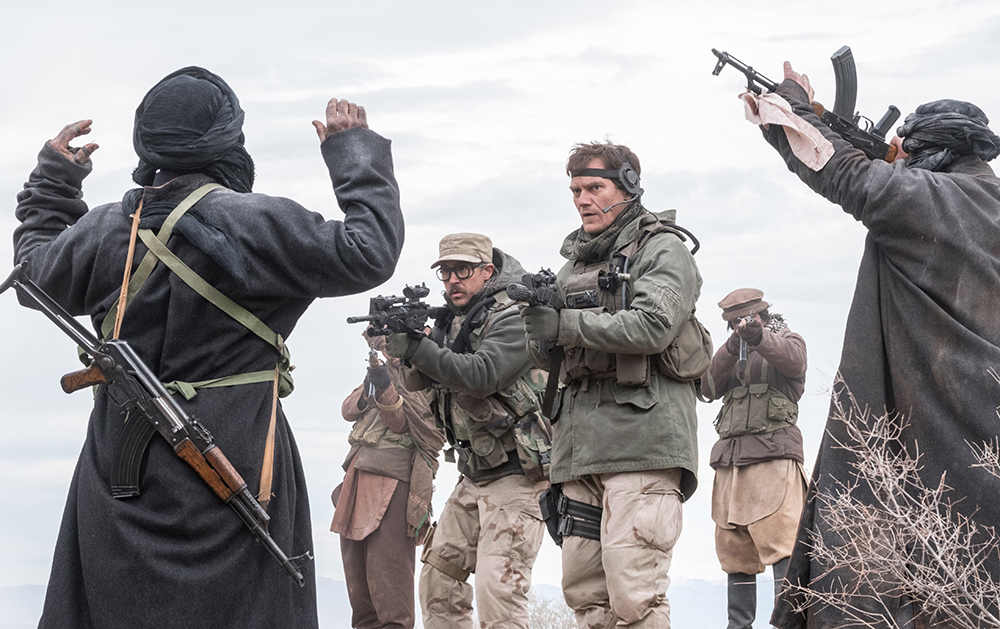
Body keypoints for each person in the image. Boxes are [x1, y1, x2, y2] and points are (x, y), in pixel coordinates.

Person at [13, 66, 404, 629]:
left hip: (121, 475)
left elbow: (33, 274)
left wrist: (54, 182)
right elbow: (369, 251)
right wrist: (353, 152)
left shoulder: (104, 231)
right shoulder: (257, 223)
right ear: (227, 141)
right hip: (240, 462)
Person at [750, 62, 1000, 628]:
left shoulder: (930, 198)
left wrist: (787, 106)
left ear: (931, 153)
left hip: (930, 418)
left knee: (894, 581)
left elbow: (839, 171)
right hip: (985, 417)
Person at [521, 141, 703, 628]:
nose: (582, 199)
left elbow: (652, 326)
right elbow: (545, 358)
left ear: (629, 186)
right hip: (579, 452)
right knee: (587, 600)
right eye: (576, 190)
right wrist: (539, 329)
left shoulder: (662, 249)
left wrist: (563, 324)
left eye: (594, 188)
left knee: (635, 598)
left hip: (642, 445)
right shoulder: (571, 268)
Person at [383, 232, 550, 629]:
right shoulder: (452, 319)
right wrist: (406, 348)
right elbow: (418, 382)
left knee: (498, 590)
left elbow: (482, 375)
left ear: (487, 270)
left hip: (519, 475)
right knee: (438, 582)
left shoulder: (515, 314)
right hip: (474, 474)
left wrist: (417, 348)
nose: (452, 280)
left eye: (462, 270)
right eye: (445, 272)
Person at [700, 288, 808, 629]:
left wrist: (759, 337)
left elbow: (795, 361)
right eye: (734, 321)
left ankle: (789, 624)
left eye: (747, 318)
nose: (741, 325)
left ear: (763, 315)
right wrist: (734, 345)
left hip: (774, 464)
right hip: (731, 468)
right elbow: (707, 387)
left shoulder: (787, 340)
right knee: (735, 554)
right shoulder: (732, 353)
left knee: (784, 547)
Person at [332, 331, 445, 629]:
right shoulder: (384, 374)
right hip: (357, 480)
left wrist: (385, 387)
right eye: (387, 346)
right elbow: (347, 409)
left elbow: (401, 423)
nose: (391, 352)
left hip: (393, 484)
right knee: (362, 604)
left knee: (393, 602)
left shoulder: (427, 379)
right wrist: (374, 382)